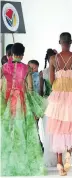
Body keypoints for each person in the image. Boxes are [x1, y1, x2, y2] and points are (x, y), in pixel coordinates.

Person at [1, 43, 46, 176]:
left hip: (9, 102)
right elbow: (30, 88)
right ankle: (24, 163)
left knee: (10, 132)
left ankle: (10, 164)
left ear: (12, 54)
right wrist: (34, 103)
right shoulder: (26, 68)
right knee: (24, 132)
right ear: (22, 55)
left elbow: (1, 85)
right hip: (22, 102)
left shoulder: (4, 67)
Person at [45, 33, 72, 176]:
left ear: (60, 42)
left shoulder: (53, 59)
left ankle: (59, 163)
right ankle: (69, 154)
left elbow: (51, 80)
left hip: (58, 95)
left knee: (58, 127)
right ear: (71, 42)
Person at [39, 48, 57, 167]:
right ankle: (57, 157)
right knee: (56, 130)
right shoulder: (59, 72)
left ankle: (50, 158)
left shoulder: (42, 73)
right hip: (56, 102)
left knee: (47, 130)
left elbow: (41, 91)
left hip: (46, 102)